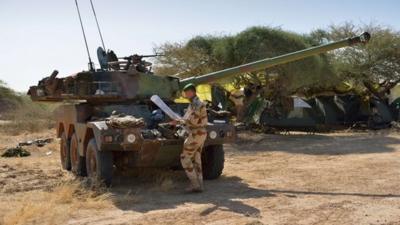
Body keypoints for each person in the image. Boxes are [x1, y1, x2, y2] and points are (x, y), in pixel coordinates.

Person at [171, 83, 208, 193]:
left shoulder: (196, 104)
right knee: (196, 158)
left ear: (192, 92)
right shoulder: (194, 103)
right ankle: (199, 185)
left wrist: (178, 121)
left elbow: (193, 121)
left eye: (187, 93)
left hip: (196, 133)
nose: (186, 95)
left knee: (185, 158)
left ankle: (195, 184)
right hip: (200, 133)